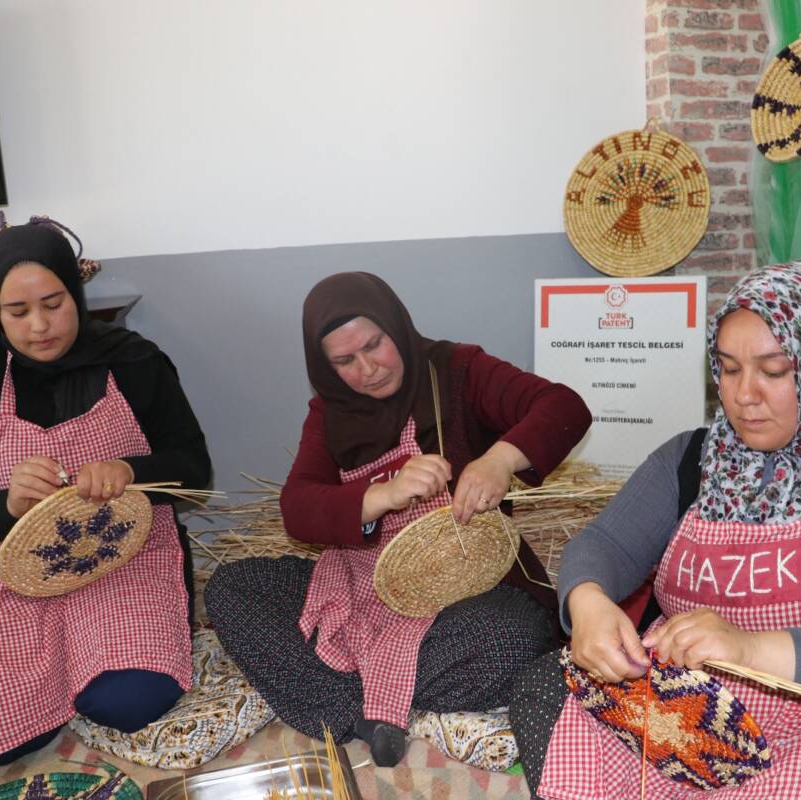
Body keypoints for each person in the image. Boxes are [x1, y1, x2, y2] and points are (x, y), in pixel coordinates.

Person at [510, 260, 801, 800]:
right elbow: (605, 543)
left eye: (773, 371)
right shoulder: (688, 460)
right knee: (544, 687)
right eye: (728, 369)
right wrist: (587, 602)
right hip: (689, 719)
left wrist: (749, 649)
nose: (743, 395)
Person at [205, 271, 590, 766]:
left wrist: (499, 460)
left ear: (395, 326)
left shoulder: (459, 371)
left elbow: (564, 406)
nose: (368, 369)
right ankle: (356, 712)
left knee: (514, 636)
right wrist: (381, 495)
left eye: (375, 345)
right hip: (358, 590)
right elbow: (297, 509)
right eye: (344, 361)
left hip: (463, 594)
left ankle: (337, 691)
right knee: (232, 587)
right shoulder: (329, 413)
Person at [0, 221, 212, 775]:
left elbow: (194, 471)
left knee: (125, 704)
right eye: (17, 312)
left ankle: (83, 676)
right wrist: (5, 505)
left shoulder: (135, 363)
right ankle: (47, 677)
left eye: (53, 304)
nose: (39, 327)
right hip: (18, 580)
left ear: (75, 293)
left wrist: (130, 469)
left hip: (126, 563)